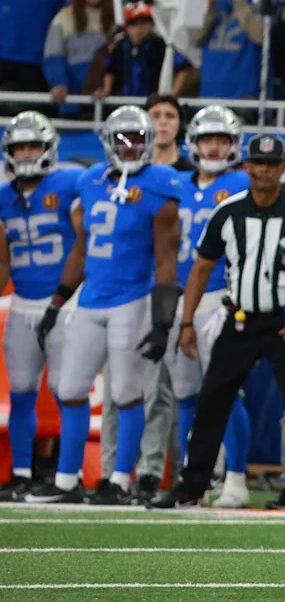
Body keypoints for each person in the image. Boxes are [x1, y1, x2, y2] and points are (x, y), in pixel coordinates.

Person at [152, 134, 285, 512]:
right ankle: (192, 486)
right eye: (257, 163)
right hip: (239, 322)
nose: (264, 170)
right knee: (210, 403)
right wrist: (186, 322)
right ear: (247, 166)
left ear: (282, 169)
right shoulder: (229, 211)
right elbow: (202, 267)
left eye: (271, 164)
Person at [27, 106, 182, 504]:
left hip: (131, 301)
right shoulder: (90, 180)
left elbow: (166, 260)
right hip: (91, 298)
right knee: (71, 389)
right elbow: (80, 248)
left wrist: (162, 321)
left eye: (137, 139)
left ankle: (118, 480)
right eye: (122, 139)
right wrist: (57, 302)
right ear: (108, 142)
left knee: (127, 393)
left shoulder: (161, 184)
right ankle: (66, 480)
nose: (130, 147)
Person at [146, 106, 253, 508]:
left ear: (233, 144)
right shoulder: (172, 182)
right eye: (206, 139)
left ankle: (236, 479)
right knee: (187, 395)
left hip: (222, 298)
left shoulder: (243, 181)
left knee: (226, 392)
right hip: (178, 300)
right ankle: (196, 479)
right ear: (193, 142)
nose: (212, 147)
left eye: (220, 140)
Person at [0, 113, 82, 501]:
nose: (27, 153)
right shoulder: (4, 196)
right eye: (20, 147)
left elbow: (83, 242)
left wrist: (65, 295)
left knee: (68, 389)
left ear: (48, 147)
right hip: (22, 302)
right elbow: (3, 260)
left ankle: (70, 473)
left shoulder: (69, 183)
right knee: (20, 389)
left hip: (66, 302)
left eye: (33, 145)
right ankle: (20, 472)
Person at [188, 0, 278, 100]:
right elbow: (195, 38)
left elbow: (260, 37)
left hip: (244, 90)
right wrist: (210, 5)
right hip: (211, 86)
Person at [42, 0, 114, 111]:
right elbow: (53, 56)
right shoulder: (64, 18)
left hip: (109, 101)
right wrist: (58, 83)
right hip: (73, 100)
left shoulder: (119, 20)